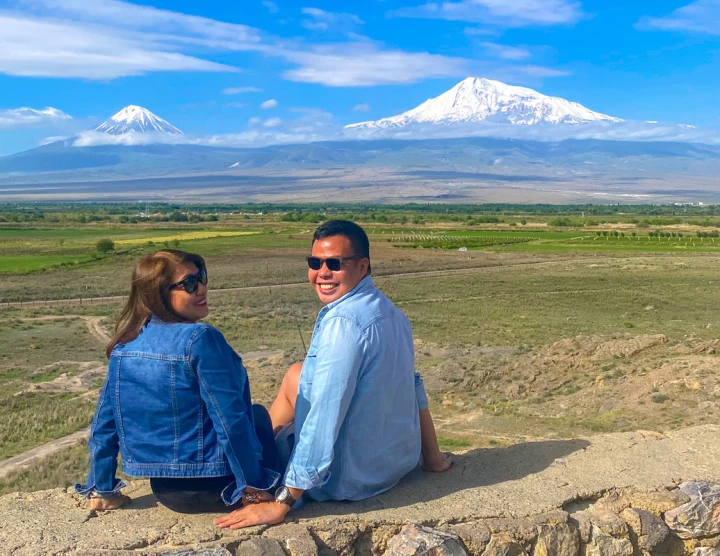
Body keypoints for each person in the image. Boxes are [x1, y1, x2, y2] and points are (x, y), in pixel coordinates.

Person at [215, 220, 451, 529]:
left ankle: (262, 476)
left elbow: (323, 417)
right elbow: (412, 385)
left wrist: (283, 503)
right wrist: (431, 458)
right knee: (296, 374)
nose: (322, 272)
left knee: (260, 427)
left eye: (334, 264)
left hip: (348, 479)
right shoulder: (389, 311)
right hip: (394, 464)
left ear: (363, 266)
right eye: (315, 263)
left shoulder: (344, 323)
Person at [75, 250, 281, 514]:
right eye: (190, 284)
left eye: (202, 277)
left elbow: (104, 425)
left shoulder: (124, 344)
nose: (202, 288)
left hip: (166, 492)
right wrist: (253, 491)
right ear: (158, 293)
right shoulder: (200, 339)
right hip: (220, 488)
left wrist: (102, 488)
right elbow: (230, 422)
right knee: (258, 416)